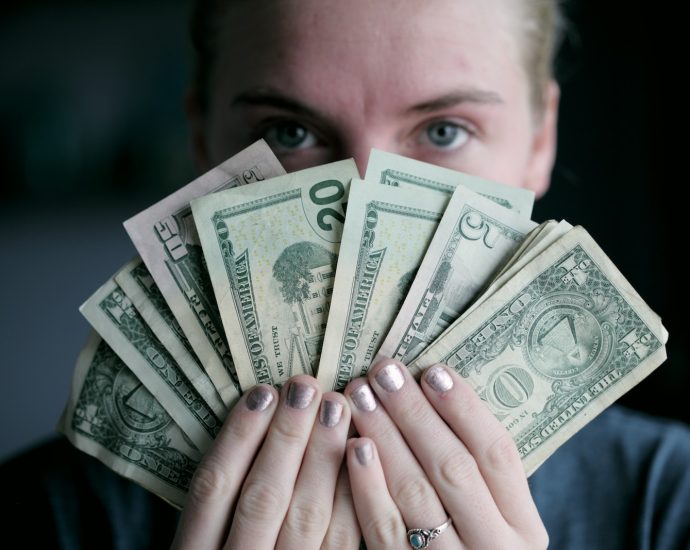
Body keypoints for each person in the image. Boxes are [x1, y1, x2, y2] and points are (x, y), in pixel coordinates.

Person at [2, 0, 689, 548]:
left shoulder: (672, 501)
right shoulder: (44, 517)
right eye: (288, 132)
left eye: (444, 130)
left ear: (541, 144)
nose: (361, 201)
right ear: (204, 141)